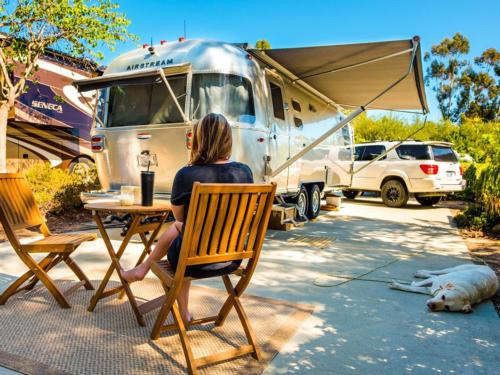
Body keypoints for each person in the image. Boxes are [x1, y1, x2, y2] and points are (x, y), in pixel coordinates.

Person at [122, 113, 253, 324]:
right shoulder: (244, 172)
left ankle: (178, 307)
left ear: (199, 139)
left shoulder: (186, 175)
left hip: (193, 261)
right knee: (185, 237)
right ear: (228, 139)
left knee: (182, 236)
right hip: (231, 259)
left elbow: (179, 218)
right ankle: (143, 271)